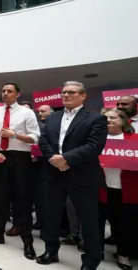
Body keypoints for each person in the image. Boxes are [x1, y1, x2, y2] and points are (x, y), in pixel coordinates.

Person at [37, 81, 107, 270]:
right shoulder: (52, 118)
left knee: (88, 219)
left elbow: (94, 146)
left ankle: (91, 260)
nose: (66, 95)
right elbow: (43, 140)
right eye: (64, 92)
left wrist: (65, 159)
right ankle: (51, 250)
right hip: (53, 173)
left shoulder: (95, 118)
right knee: (51, 216)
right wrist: (54, 159)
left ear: (83, 96)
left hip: (82, 175)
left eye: (72, 92)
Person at [0, 83, 40, 260]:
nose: (5, 94)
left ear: (18, 94)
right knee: (1, 197)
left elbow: (35, 137)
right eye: (3, 91)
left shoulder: (26, 113)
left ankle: (27, 241)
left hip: (20, 158)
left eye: (9, 91)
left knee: (22, 199)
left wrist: (15, 135)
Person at [98, 108, 137, 270]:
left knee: (124, 225)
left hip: (126, 190)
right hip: (101, 188)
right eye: (106, 118)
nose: (109, 121)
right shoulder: (96, 139)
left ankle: (123, 255)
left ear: (123, 120)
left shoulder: (134, 139)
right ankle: (96, 251)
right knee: (96, 222)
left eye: (113, 118)